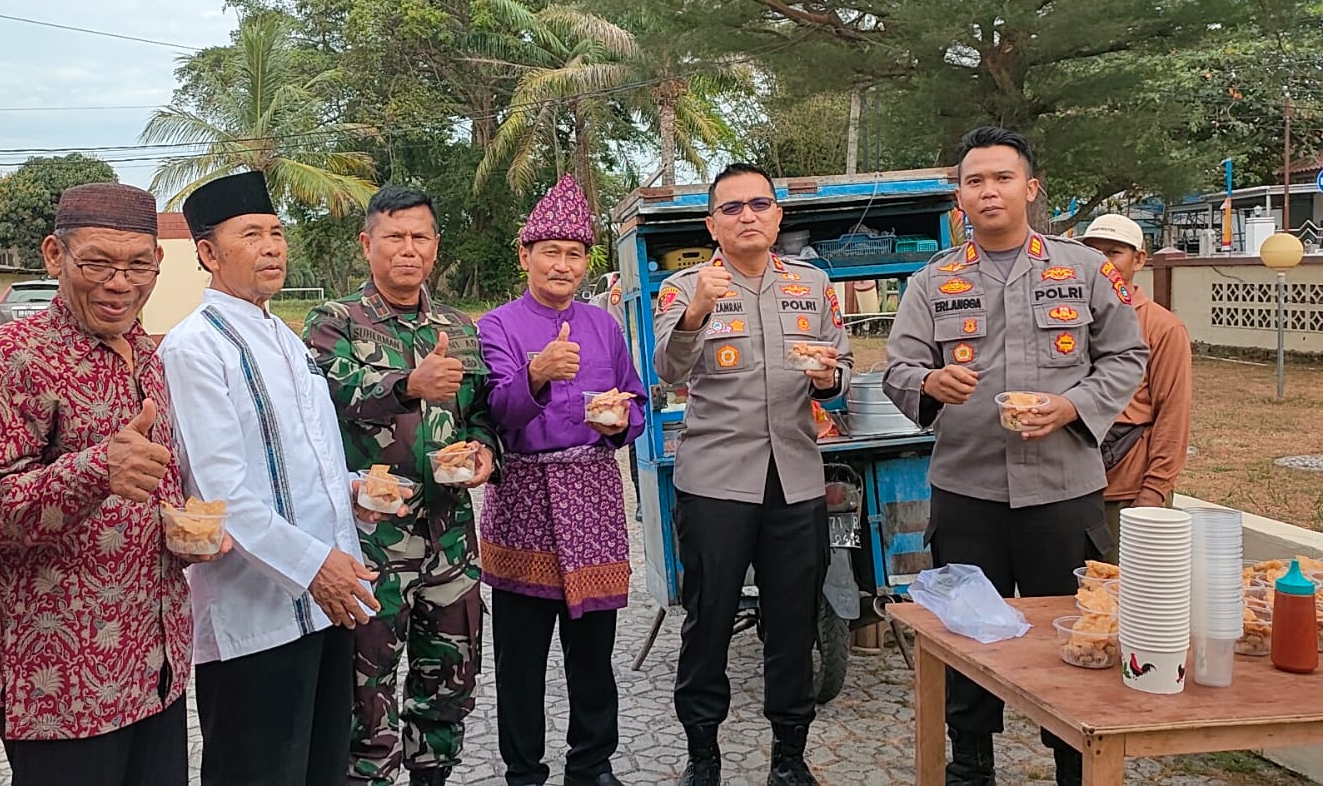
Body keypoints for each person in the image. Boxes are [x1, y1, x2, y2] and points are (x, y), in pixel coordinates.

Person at [884, 127, 1147, 786]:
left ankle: (1073, 763)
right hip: (967, 488)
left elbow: (1125, 357)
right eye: (974, 180)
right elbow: (898, 366)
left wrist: (1073, 406)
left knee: (1076, 634)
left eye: (1001, 177)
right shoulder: (932, 280)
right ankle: (970, 763)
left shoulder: (1083, 270)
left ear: (1029, 188)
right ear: (960, 197)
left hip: (1061, 490)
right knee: (968, 635)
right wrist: (927, 384)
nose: (987, 190)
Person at [0, 182, 230, 786]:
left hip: (153, 662)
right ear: (55, 256)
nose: (120, 283)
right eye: (98, 264)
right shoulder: (12, 356)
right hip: (62, 685)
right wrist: (95, 469)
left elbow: (147, 478)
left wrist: (184, 525)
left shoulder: (145, 351)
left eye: (139, 266)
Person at [158, 171, 388, 786]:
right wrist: (316, 564)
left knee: (320, 768)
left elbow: (304, 455)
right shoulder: (194, 347)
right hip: (255, 616)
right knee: (260, 770)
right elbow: (221, 490)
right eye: (252, 234)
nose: (272, 246)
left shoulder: (286, 337)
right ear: (208, 253)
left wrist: (354, 491)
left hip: (325, 601)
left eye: (278, 233)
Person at [653, 162, 853, 786]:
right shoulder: (685, 288)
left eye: (759, 205)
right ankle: (702, 757)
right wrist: (695, 318)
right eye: (732, 208)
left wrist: (830, 377)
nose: (747, 216)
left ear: (778, 215)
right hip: (715, 481)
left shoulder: (814, 285)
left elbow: (840, 366)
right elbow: (665, 369)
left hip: (794, 479)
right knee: (707, 620)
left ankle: (789, 761)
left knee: (792, 624)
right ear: (712, 223)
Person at [303, 187, 499, 786]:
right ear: (368, 245)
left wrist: (485, 450)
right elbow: (331, 397)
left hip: (452, 543)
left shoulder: (459, 328)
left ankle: (433, 775)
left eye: (419, 237)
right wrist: (408, 383)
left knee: (448, 679)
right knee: (368, 689)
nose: (407, 249)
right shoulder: (333, 322)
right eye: (394, 237)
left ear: (436, 247)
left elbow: (480, 411)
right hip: (370, 544)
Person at [477, 175, 648, 786]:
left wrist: (619, 420)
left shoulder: (603, 326)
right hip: (523, 496)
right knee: (520, 657)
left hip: (593, 497)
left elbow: (638, 401)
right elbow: (497, 412)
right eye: (550, 250)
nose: (563, 264)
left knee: (593, 651)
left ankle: (592, 763)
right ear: (525, 256)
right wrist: (539, 374)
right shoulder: (496, 326)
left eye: (575, 253)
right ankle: (524, 770)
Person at [1079, 214, 1192, 559]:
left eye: (1114, 253)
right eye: (1093, 253)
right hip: (1070, 487)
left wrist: (1153, 493)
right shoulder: (1068, 319)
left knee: (1126, 595)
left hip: (1129, 488)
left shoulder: (1161, 327)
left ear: (1139, 259)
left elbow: (1173, 414)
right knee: (1070, 598)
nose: (1102, 263)